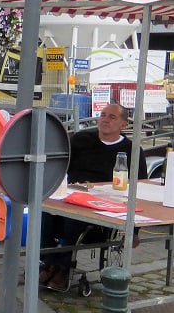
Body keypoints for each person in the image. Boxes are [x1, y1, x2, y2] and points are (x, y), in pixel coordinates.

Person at [40, 103, 147, 291]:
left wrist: (135, 231)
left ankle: (64, 269)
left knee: (74, 218)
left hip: (104, 207)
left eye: (112, 117)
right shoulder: (80, 139)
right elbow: (60, 166)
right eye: (102, 115)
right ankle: (50, 263)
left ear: (124, 124)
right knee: (44, 211)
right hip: (72, 196)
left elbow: (141, 190)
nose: (105, 120)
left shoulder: (132, 151)